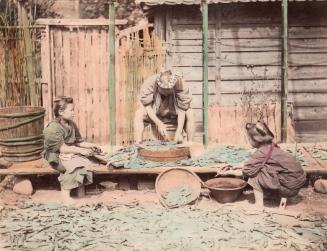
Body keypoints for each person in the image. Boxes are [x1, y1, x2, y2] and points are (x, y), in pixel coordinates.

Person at [43, 96, 102, 204]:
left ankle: (79, 190)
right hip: (56, 156)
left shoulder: (72, 124)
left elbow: (79, 142)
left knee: (87, 163)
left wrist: (92, 145)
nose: (74, 112)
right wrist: (81, 151)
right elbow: (62, 149)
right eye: (71, 110)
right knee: (74, 166)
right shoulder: (52, 128)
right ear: (61, 111)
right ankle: (65, 195)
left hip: (70, 153)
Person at [242, 121, 306, 207]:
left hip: (289, 189)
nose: (249, 141)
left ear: (256, 139)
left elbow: (247, 170)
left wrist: (240, 170)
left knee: (255, 175)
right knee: (266, 168)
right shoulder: (272, 146)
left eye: (249, 139)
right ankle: (271, 195)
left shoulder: (262, 151)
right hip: (297, 183)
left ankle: (258, 205)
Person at [134, 69, 194, 144]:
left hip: (174, 112)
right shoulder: (150, 83)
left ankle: (190, 143)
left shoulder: (180, 83)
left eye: (169, 90)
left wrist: (178, 132)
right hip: (155, 112)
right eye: (164, 90)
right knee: (139, 113)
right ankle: (138, 142)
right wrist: (159, 123)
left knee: (190, 113)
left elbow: (183, 109)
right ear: (158, 85)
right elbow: (147, 106)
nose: (166, 92)